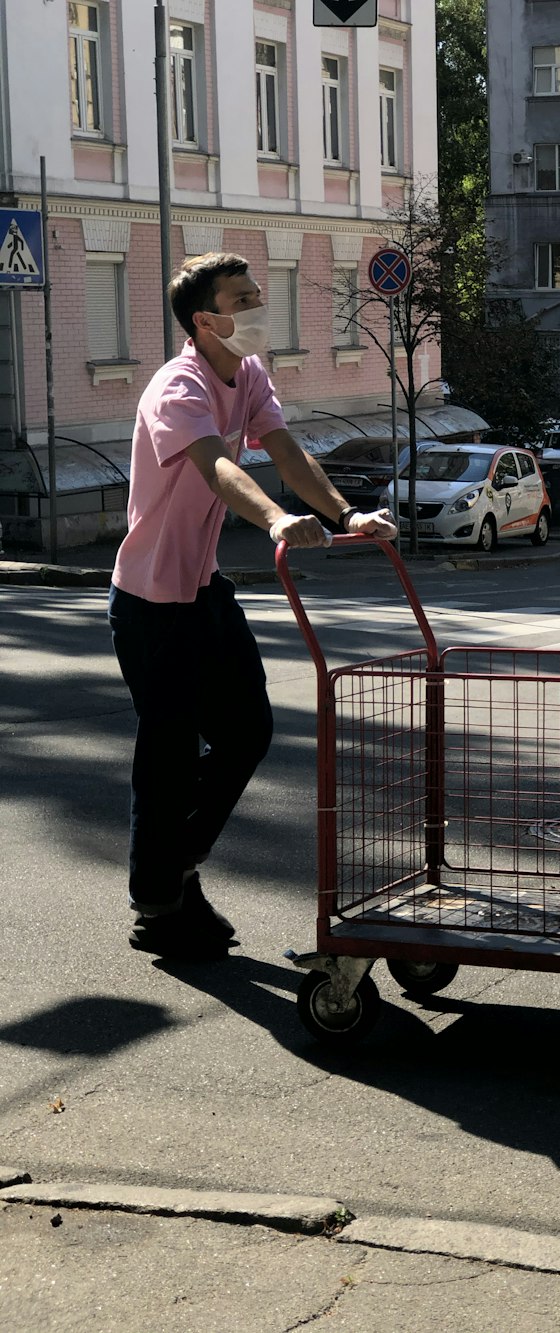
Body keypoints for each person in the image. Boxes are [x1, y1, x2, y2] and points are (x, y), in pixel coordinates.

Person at [108, 252, 396, 961]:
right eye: (246, 298)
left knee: (248, 731)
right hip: (149, 601)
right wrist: (274, 520)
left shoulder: (250, 374)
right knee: (169, 753)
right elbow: (219, 466)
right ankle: (160, 901)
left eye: (259, 294)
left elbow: (287, 452)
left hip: (202, 589)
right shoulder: (177, 387)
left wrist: (344, 514)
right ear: (206, 320)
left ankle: (171, 866)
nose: (261, 307)